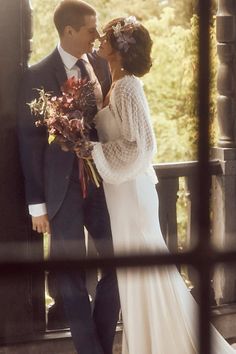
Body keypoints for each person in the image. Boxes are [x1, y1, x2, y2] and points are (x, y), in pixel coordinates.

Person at [88, 16, 236, 354]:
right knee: (134, 276)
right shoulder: (111, 83)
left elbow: (142, 146)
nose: (100, 39)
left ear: (120, 48)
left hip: (132, 195)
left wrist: (92, 149)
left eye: (107, 35)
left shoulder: (127, 87)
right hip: (118, 193)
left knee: (144, 273)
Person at [17, 1, 120, 354]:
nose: (98, 36)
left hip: (102, 185)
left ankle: (100, 345)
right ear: (69, 32)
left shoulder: (102, 66)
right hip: (61, 190)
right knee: (71, 279)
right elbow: (29, 143)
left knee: (120, 266)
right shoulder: (37, 75)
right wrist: (36, 205)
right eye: (92, 30)